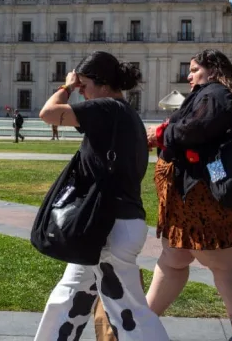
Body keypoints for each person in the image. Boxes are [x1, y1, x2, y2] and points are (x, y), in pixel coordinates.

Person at [34, 51, 169, 341]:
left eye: (84, 85)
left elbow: (48, 113)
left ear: (104, 83)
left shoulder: (107, 107)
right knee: (69, 296)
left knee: (130, 313)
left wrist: (66, 87)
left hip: (109, 226)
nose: (81, 92)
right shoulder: (125, 114)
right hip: (109, 224)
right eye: (78, 87)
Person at [143, 49, 232, 341]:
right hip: (186, 203)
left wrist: (161, 134)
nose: (188, 75)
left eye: (194, 69)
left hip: (203, 204)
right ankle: (141, 324)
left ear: (213, 70)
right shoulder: (210, 95)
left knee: (225, 267)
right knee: (174, 259)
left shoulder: (215, 93)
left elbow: (195, 129)